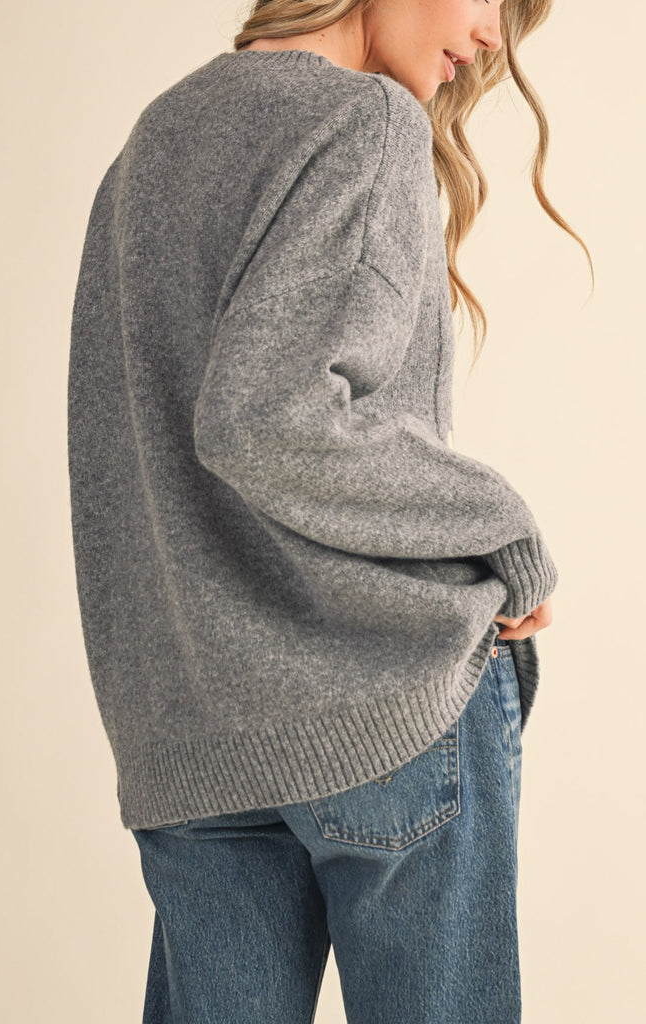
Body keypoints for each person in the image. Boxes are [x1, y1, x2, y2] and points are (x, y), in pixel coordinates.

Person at [68, 1, 590, 1020]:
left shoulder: (153, 139)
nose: (493, 35)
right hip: (381, 704)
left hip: (192, 735)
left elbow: (123, 453)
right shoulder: (363, 118)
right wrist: (503, 531)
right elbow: (269, 423)